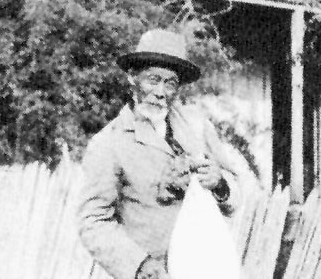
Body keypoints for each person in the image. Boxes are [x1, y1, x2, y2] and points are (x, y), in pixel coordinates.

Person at [78, 29, 240, 279]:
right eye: (153, 79)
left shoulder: (197, 127)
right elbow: (93, 222)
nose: (161, 92)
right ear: (133, 78)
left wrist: (221, 185)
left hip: (204, 267)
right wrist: (139, 266)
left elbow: (236, 193)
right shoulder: (109, 143)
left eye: (170, 82)